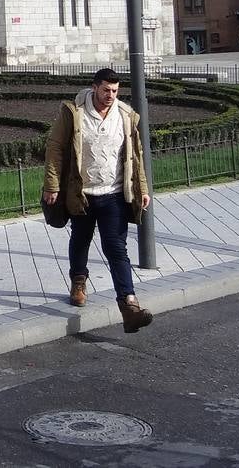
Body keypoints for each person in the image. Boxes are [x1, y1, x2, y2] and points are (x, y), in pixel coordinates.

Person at [42, 68, 154, 333]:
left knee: (117, 248)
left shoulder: (125, 115)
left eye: (115, 91)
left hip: (113, 194)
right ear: (94, 88)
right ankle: (78, 281)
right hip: (82, 193)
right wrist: (52, 184)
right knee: (80, 239)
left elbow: (134, 154)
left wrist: (142, 188)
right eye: (106, 90)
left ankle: (129, 306)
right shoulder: (74, 112)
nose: (110, 96)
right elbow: (55, 146)